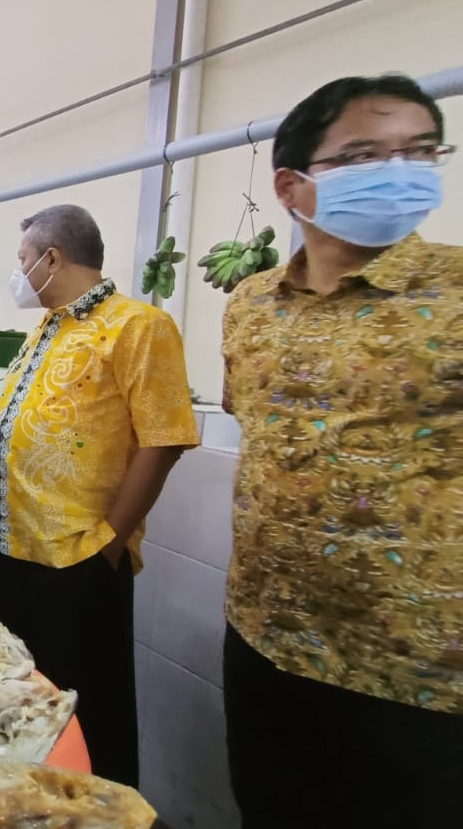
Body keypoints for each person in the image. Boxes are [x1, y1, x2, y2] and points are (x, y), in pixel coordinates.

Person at [220, 74, 462, 828]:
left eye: (421, 151)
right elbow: (250, 422)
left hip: (416, 670)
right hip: (265, 636)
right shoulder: (251, 305)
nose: (400, 171)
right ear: (292, 186)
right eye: (365, 154)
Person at [0, 204, 199, 788]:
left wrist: (107, 545)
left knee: (86, 712)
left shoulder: (137, 326)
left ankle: (99, 815)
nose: (18, 271)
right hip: (10, 547)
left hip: (77, 557)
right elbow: (8, 402)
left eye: (23, 259)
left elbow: (164, 441)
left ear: (52, 258)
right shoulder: (44, 329)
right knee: (22, 704)